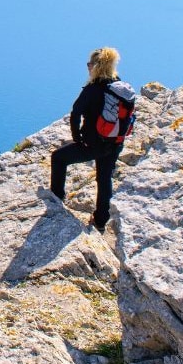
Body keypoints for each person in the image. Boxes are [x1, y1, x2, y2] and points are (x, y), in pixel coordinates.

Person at [50, 47, 130, 233]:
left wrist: (78, 138)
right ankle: (101, 221)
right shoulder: (119, 87)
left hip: (93, 145)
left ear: (96, 66)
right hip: (115, 143)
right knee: (104, 179)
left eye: (89, 64)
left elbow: (75, 114)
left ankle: (56, 198)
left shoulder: (92, 90)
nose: (87, 67)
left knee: (58, 158)